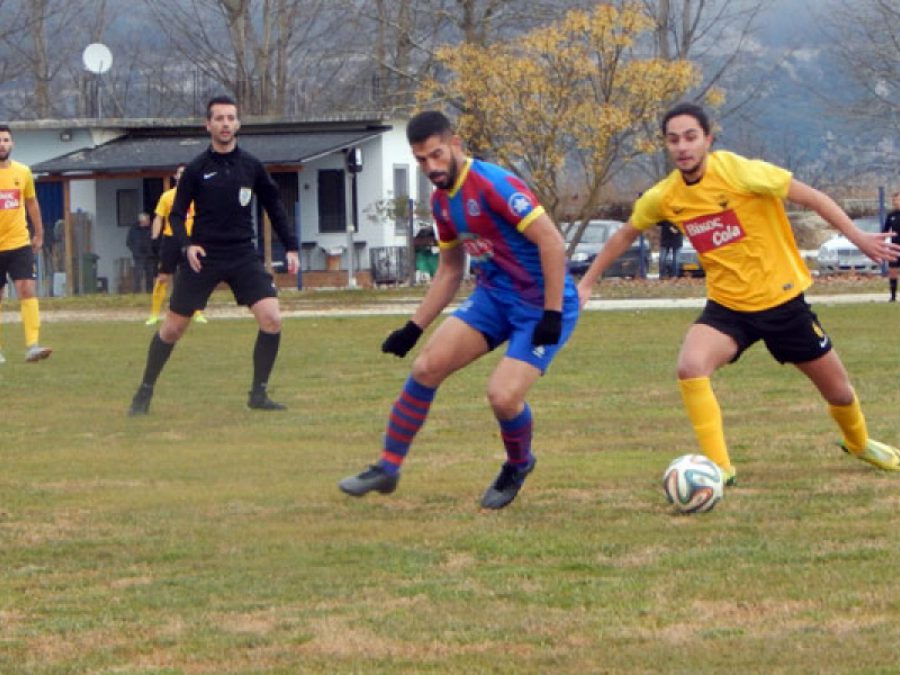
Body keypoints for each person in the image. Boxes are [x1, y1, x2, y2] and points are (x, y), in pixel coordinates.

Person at [577, 102, 900, 483]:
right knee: (690, 366)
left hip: (782, 304)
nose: (683, 147)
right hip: (728, 308)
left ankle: (860, 443)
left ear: (707, 140)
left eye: (691, 137)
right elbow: (625, 234)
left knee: (840, 393)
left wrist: (860, 238)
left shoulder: (740, 172)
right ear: (666, 146)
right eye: (673, 139)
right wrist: (587, 282)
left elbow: (812, 197)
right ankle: (720, 468)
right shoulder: (664, 196)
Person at [338, 110, 580, 509]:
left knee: (502, 397)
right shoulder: (441, 202)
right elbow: (451, 269)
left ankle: (518, 464)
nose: (430, 167)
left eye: (436, 155)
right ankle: (387, 467)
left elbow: (552, 243)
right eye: (420, 160)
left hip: (540, 304)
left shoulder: (494, 184)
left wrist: (552, 314)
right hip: (493, 297)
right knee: (425, 367)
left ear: (455, 144)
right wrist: (413, 328)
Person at [127, 95, 299, 415]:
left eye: (231, 118)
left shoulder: (251, 166)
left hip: (243, 254)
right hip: (203, 256)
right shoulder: (196, 169)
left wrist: (291, 246)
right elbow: (176, 215)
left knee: (272, 319)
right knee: (173, 329)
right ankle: (145, 390)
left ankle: (258, 394)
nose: (225, 124)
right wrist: (186, 245)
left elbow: (274, 207)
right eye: (219, 118)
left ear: (238, 124)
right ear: (208, 125)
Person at [0, 123, 52, 364]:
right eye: (0, 140)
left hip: (19, 243)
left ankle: (32, 345)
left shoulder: (23, 172)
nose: (2, 145)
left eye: (6, 140)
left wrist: (39, 233)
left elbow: (32, 203)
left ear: (12, 144)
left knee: (26, 289)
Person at [146, 165, 206, 325]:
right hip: (171, 238)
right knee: (163, 277)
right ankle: (154, 314)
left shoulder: (196, 196)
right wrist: (154, 237)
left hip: (190, 240)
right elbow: (159, 217)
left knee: (193, 276)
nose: (183, 175)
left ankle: (197, 312)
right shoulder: (167, 196)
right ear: (175, 176)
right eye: (180, 173)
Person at [126, 212, 157, 293]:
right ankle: (137, 293)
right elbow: (129, 242)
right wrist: (135, 251)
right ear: (142, 221)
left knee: (150, 275)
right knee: (138, 275)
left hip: (150, 256)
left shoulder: (152, 228)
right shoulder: (134, 229)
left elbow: (156, 241)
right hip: (138, 256)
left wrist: (154, 251)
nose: (148, 221)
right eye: (147, 220)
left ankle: (150, 292)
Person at [881, 190, 900, 302]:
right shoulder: (891, 215)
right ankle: (893, 296)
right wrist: (882, 243)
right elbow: (885, 231)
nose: (896, 202)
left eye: (898, 199)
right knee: (892, 271)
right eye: (895, 200)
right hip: (894, 247)